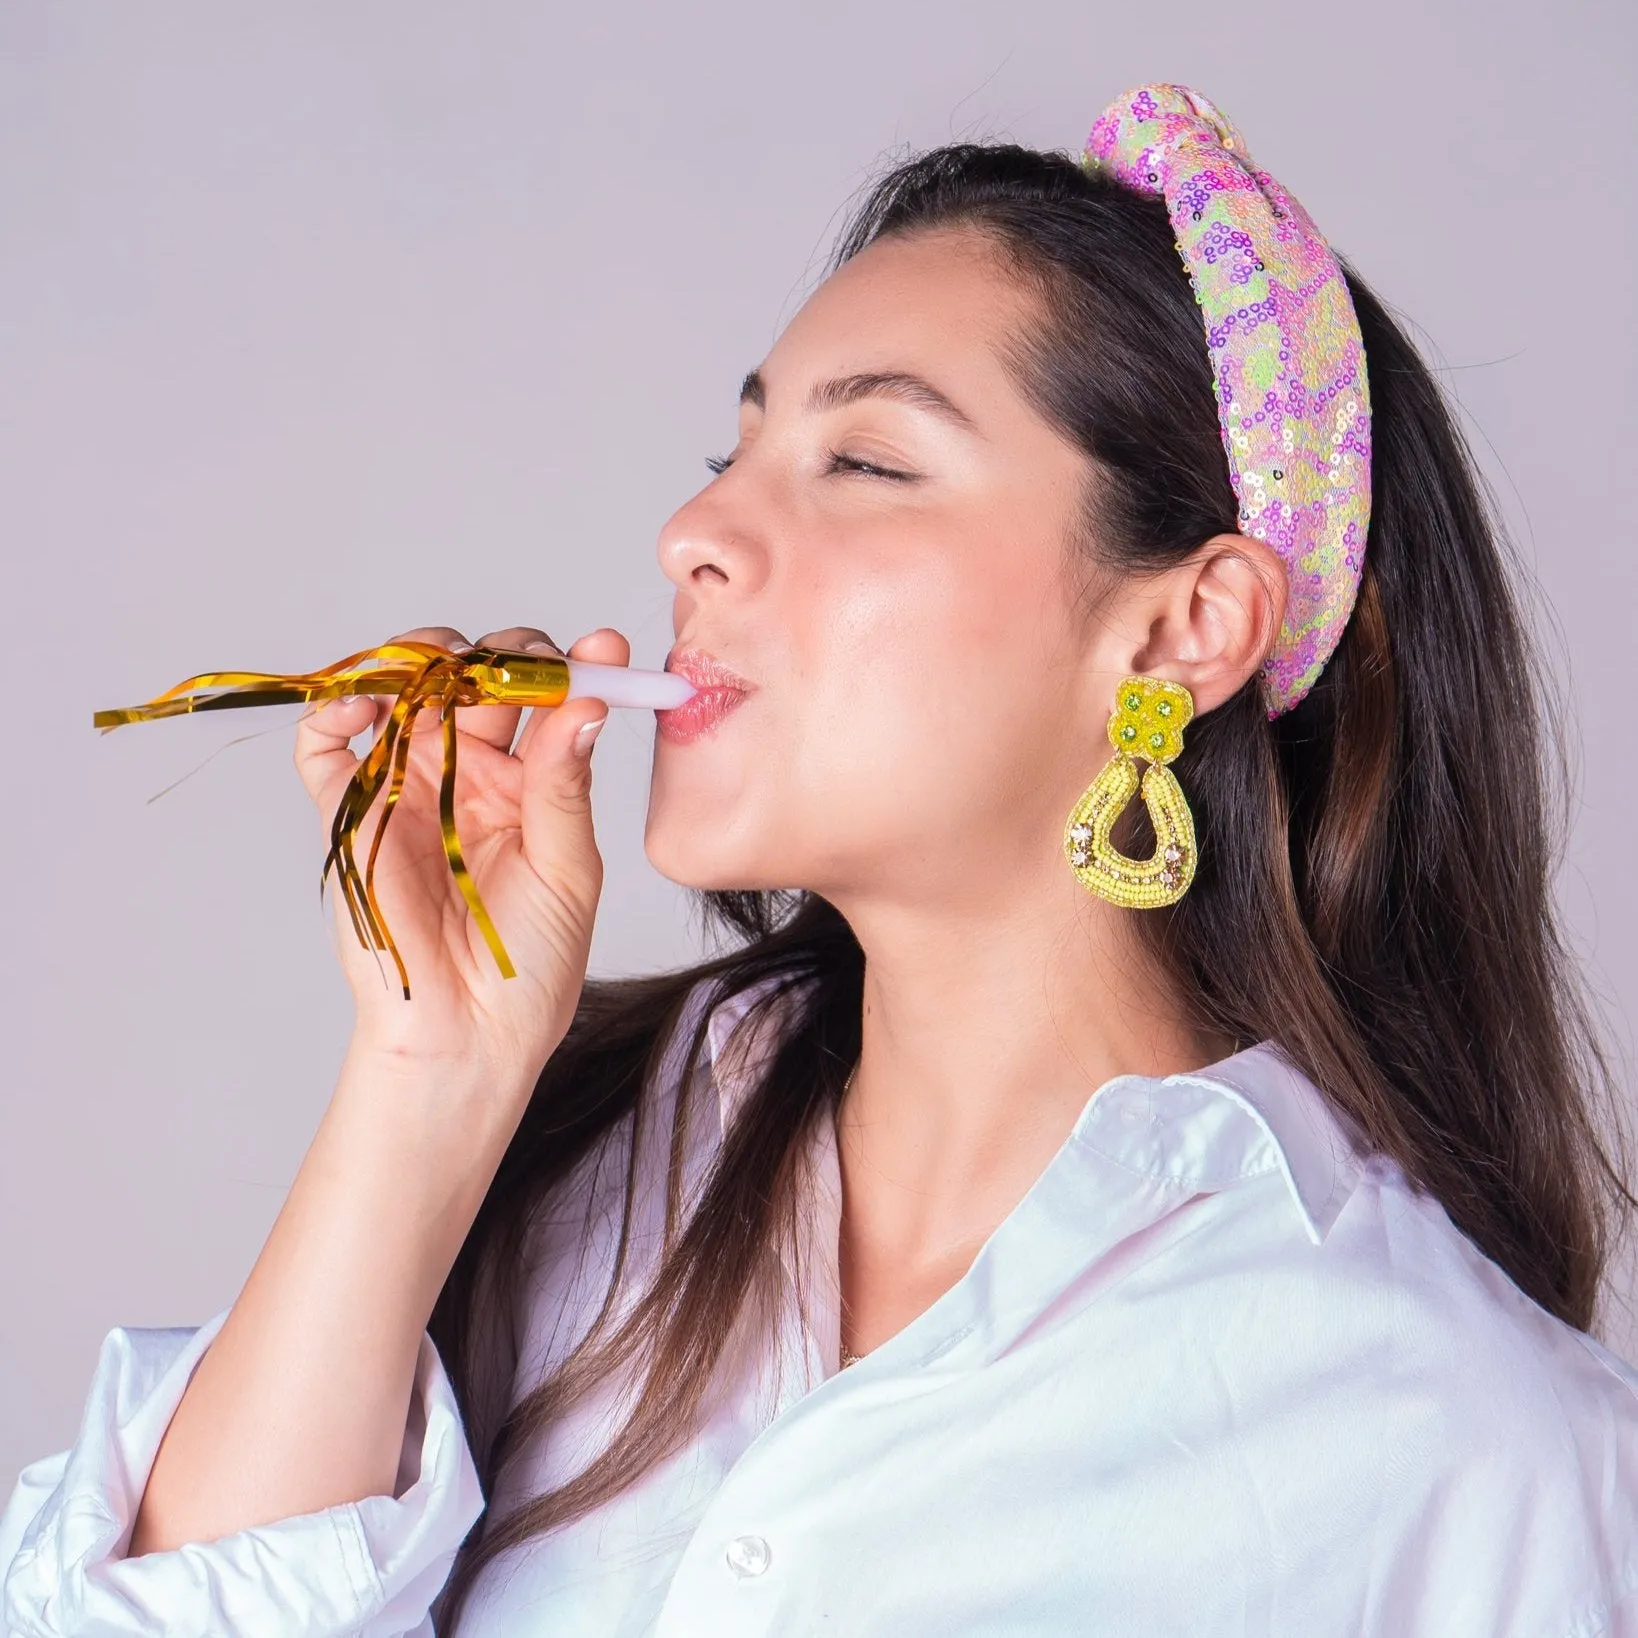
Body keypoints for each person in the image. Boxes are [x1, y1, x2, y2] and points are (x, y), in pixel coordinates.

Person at [4, 82, 1636, 1637]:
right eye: (731, 452)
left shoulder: (1472, 1445)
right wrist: (427, 1079)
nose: (690, 538)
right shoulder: (568, 1170)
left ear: (1181, 623)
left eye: (862, 462)